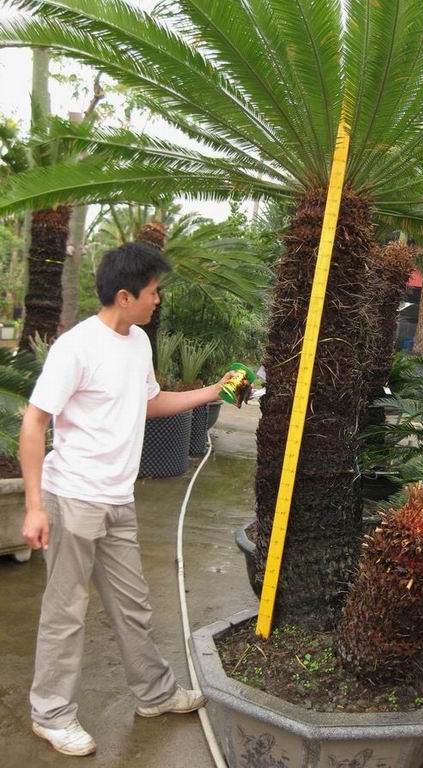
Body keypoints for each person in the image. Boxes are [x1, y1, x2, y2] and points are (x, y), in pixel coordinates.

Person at [19, 242, 234, 757]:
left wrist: (211, 392)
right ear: (124, 294)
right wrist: (33, 505)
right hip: (72, 498)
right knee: (66, 611)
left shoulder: (138, 342)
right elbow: (34, 422)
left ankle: (155, 694)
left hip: (118, 499)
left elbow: (150, 402)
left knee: (133, 605)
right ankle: (50, 714)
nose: (158, 300)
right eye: (154, 291)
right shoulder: (76, 347)